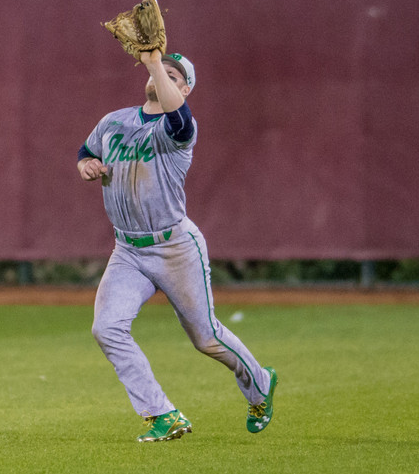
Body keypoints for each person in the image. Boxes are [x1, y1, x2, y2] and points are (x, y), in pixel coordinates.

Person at [76, 49, 277, 443]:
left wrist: (153, 61)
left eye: (173, 74)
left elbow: (179, 118)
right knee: (107, 328)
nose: (160, 75)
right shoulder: (113, 121)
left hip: (175, 248)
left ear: (184, 89)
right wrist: (85, 166)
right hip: (128, 251)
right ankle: (162, 414)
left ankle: (260, 382)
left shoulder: (178, 129)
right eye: (158, 69)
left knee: (206, 338)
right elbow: (87, 152)